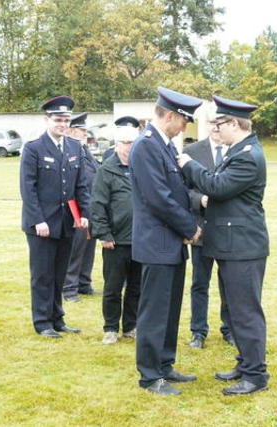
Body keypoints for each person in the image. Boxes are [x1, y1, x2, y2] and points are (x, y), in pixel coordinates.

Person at [178, 94, 270, 396]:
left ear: (234, 123)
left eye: (219, 124)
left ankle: (256, 375)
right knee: (238, 309)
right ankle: (245, 365)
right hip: (234, 244)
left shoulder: (247, 155)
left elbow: (217, 186)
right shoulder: (240, 149)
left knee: (245, 312)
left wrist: (189, 164)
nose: (215, 130)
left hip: (243, 246)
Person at [129, 87, 203, 396]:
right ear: (170, 116)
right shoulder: (147, 146)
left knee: (170, 308)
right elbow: (159, 199)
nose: (186, 127)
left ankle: (164, 365)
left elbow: (177, 191)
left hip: (169, 242)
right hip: (158, 241)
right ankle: (149, 375)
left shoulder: (164, 145)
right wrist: (190, 227)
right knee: (155, 310)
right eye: (184, 120)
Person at [19, 95, 90, 338]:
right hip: (42, 224)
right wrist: (38, 220)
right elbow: (28, 189)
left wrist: (84, 214)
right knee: (42, 274)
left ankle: (57, 318)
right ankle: (42, 322)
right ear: (46, 120)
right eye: (58, 119)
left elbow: (81, 185)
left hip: (67, 222)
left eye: (66, 120)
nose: (62, 124)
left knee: (60, 273)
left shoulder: (74, 146)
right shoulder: (33, 148)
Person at [182, 116, 233, 349]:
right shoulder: (191, 151)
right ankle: (198, 331)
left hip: (228, 230)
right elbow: (182, 189)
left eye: (219, 123)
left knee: (228, 283)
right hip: (201, 228)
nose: (215, 127)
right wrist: (199, 200)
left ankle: (229, 329)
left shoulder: (237, 150)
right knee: (199, 283)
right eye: (211, 122)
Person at [91, 125, 141, 345]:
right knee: (112, 287)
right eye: (125, 143)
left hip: (140, 239)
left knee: (136, 287)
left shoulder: (143, 167)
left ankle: (131, 326)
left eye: (133, 143)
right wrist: (104, 234)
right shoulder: (106, 170)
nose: (129, 147)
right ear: (117, 144)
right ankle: (110, 327)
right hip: (115, 240)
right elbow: (98, 204)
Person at [62, 112, 101, 302]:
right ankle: (69, 288)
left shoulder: (83, 149)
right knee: (75, 248)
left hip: (90, 205)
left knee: (88, 245)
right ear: (71, 130)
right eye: (81, 130)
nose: (85, 133)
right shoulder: (68, 149)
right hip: (75, 206)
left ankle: (84, 283)